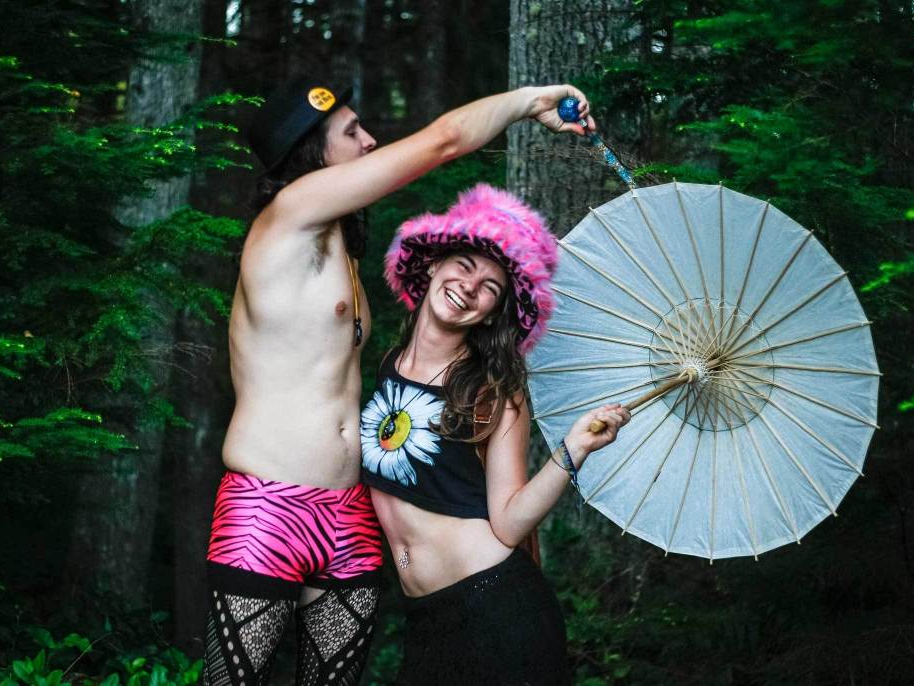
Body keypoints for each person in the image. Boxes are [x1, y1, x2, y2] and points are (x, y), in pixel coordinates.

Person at [203, 79, 598, 686]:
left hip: (349, 517)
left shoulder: (341, 253)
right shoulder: (289, 216)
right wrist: (528, 102)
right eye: (352, 132)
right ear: (311, 152)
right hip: (269, 504)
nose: (370, 141)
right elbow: (443, 142)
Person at [361, 184, 631, 685]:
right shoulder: (388, 366)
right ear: (435, 266)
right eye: (464, 265)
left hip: (495, 608)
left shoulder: (492, 390)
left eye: (490, 286)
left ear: (491, 312)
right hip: (423, 619)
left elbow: (508, 524)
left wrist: (573, 450)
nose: (470, 286)